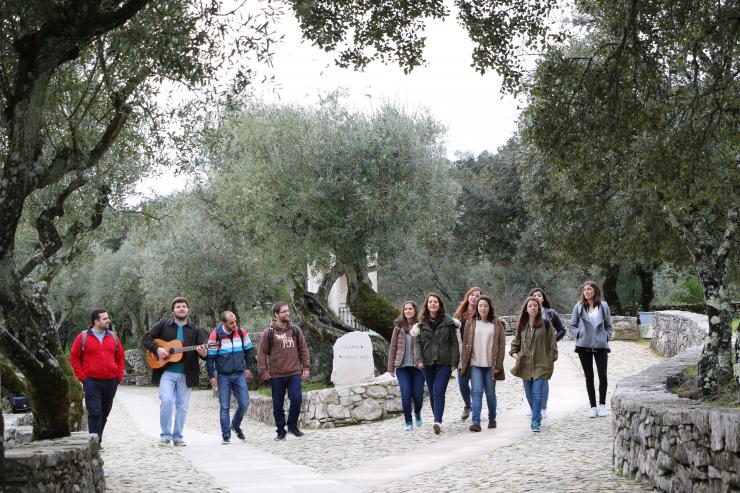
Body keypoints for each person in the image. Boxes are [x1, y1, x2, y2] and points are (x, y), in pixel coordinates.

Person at [142, 297, 207, 446]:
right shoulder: (164, 325)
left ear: (188, 310)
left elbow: (204, 353)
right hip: (167, 372)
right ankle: (165, 435)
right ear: (173, 311)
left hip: (187, 373)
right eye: (178, 307)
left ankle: (178, 437)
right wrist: (157, 349)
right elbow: (146, 338)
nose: (182, 309)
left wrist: (204, 353)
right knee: (167, 400)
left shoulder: (195, 329)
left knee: (182, 407)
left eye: (184, 306)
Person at [69, 309, 125, 448]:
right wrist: (83, 377)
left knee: (104, 412)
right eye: (105, 318)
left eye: (108, 318)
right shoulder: (82, 337)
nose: (108, 320)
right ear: (96, 321)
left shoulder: (113, 337)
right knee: (95, 411)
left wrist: (118, 376)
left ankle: (97, 440)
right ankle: (94, 445)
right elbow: (74, 358)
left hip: (111, 381)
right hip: (91, 381)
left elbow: (120, 357)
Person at [257, 301, 311, 441]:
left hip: (294, 372)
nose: (287, 313)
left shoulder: (295, 330)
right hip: (276, 375)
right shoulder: (268, 333)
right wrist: (263, 371)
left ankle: (292, 426)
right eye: (284, 311)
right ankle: (281, 431)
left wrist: (306, 367)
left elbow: (303, 349)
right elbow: (262, 353)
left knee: (297, 399)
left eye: (288, 311)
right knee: (277, 404)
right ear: (276, 314)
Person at [411, 293, 461, 435]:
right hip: (427, 363)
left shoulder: (448, 322)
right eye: (430, 302)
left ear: (440, 305)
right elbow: (417, 344)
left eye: (435, 302)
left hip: (445, 362)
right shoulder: (420, 324)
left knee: (438, 390)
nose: (433, 304)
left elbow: (454, 343)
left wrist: (454, 361)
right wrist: (418, 360)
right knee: (433, 392)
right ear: (426, 305)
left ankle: (438, 421)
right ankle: (436, 419)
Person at [510, 296, 558, 432]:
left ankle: (535, 421)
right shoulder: (522, 325)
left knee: (537, 394)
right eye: (530, 306)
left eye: (535, 306)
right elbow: (514, 347)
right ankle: (536, 414)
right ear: (526, 309)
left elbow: (552, 346)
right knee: (529, 395)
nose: (533, 308)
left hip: (541, 365)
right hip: (525, 366)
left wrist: (549, 361)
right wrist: (517, 356)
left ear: (539, 308)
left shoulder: (546, 324)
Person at [459, 295, 506, 432]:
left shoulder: (497, 323)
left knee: (490, 393)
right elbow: (466, 345)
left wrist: (498, 365)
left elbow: (501, 346)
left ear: (489, 307)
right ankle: (476, 422)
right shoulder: (470, 322)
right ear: (477, 307)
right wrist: (464, 362)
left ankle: (492, 418)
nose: (483, 308)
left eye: (485, 305)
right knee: (476, 392)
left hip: (491, 365)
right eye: (480, 306)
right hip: (475, 364)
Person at [207, 311, 254, 444]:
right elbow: (210, 357)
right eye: (231, 323)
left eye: (235, 322)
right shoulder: (215, 335)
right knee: (225, 407)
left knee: (244, 403)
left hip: (239, 374)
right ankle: (226, 436)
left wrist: (248, 368)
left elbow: (249, 350)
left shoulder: (241, 332)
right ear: (224, 323)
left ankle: (235, 425)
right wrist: (211, 376)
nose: (235, 325)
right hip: (223, 376)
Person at [568, 281, 613, 418]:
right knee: (589, 377)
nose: (586, 291)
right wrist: (579, 334)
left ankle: (603, 405)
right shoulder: (579, 306)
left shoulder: (603, 306)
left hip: (601, 346)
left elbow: (609, 325)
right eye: (584, 289)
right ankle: (593, 407)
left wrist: (606, 337)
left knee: (602, 375)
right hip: (583, 346)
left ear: (595, 291)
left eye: (589, 289)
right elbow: (572, 325)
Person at [528, 288, 566, 419]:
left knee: (542, 380)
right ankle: (533, 406)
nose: (537, 297)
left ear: (543, 298)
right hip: (529, 353)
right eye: (534, 296)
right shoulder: (527, 314)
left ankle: (543, 407)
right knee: (530, 379)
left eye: (539, 295)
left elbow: (562, 329)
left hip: (544, 352)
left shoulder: (550, 313)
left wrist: (552, 341)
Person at [388, 301, 424, 431]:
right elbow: (393, 347)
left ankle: (418, 412)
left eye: (410, 309)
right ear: (403, 311)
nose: (408, 311)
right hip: (402, 367)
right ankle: (408, 421)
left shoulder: (421, 325)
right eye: (405, 309)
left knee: (418, 395)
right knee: (406, 393)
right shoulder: (398, 328)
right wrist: (390, 368)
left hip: (417, 367)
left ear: (415, 310)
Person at [453, 287, 481, 420]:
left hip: (477, 353)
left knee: (476, 385)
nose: (474, 297)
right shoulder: (460, 313)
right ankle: (467, 405)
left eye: (477, 296)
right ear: (468, 296)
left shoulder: (482, 313)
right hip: (461, 354)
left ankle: (476, 409)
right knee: (463, 383)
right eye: (472, 295)